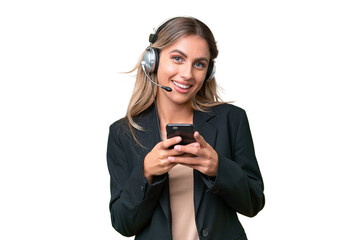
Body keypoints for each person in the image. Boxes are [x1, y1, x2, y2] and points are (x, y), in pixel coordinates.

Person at [106, 16, 265, 240]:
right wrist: (146, 172)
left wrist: (218, 168)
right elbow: (123, 224)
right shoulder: (123, 133)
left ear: (208, 72)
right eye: (178, 58)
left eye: (199, 64)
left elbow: (254, 203)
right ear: (153, 60)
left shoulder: (231, 120)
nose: (188, 74)